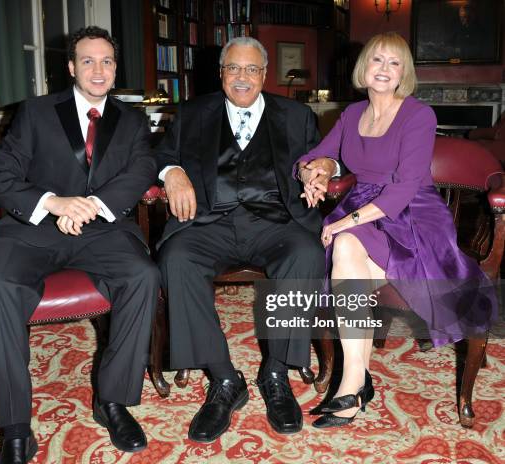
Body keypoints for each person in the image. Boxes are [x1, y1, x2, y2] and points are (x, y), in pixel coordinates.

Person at [0, 26, 158, 462]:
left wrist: (91, 205)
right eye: (88, 61)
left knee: (144, 276)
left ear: (116, 69)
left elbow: (141, 170)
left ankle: (111, 400)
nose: (99, 70)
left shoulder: (131, 120)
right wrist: (53, 203)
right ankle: (16, 429)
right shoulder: (35, 113)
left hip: (102, 230)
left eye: (107, 61)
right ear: (72, 67)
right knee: (0, 289)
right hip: (34, 230)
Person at [294, 31, 496, 429]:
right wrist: (312, 173)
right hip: (363, 208)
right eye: (377, 60)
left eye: (394, 63)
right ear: (363, 68)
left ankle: (352, 385)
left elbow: (403, 188)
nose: (384, 69)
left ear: (405, 72)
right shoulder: (351, 115)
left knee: (345, 257)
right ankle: (355, 382)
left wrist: (341, 220)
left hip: (413, 213)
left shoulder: (419, 115)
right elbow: (321, 156)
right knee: (347, 253)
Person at [155, 36, 337, 442]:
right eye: (233, 68)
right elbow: (160, 154)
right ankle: (223, 378)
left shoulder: (294, 115)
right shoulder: (191, 113)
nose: (242, 77)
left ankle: (275, 371)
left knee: (306, 253)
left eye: (251, 70)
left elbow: (322, 156)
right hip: (208, 223)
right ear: (221, 73)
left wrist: (321, 167)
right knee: (176, 259)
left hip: (274, 221)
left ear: (264, 75)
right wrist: (172, 172)